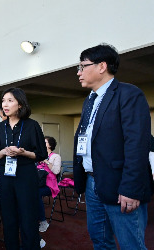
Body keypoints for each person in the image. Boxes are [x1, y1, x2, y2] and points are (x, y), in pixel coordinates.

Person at [73, 44, 153, 249]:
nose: (79, 72)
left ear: (102, 66)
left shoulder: (128, 94)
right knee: (100, 241)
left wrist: (131, 189)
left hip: (121, 186)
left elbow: (137, 145)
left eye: (82, 66)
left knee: (130, 245)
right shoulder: (89, 101)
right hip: (93, 183)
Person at [0, 87, 47, 250]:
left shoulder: (32, 125)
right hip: (5, 176)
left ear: (20, 104)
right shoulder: (0, 127)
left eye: (10, 101)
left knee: (28, 217)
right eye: (3, 101)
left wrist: (24, 152)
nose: (5, 105)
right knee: (8, 217)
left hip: (26, 175)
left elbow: (42, 154)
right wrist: (2, 151)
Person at [37, 136, 61, 233]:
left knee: (36, 193)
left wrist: (46, 162)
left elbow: (56, 171)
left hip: (50, 186)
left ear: (50, 145)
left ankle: (43, 221)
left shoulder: (56, 157)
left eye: (45, 142)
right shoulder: (39, 155)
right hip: (38, 183)